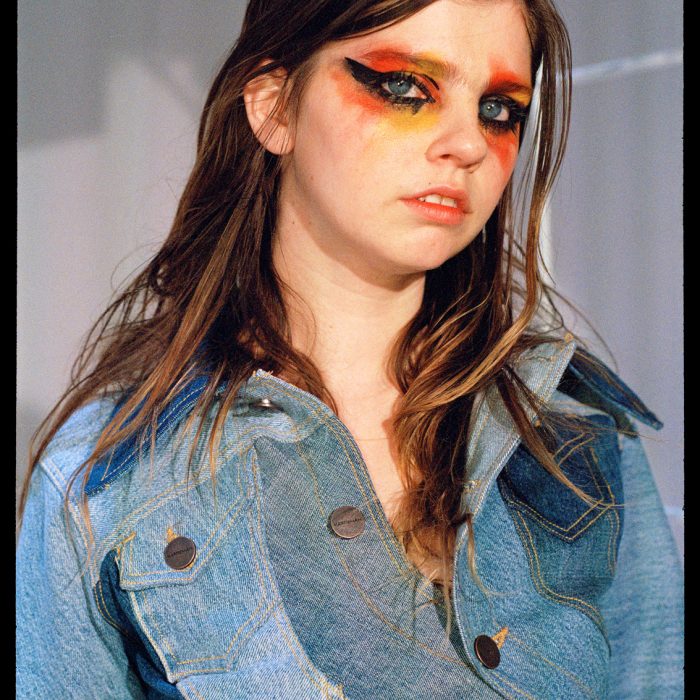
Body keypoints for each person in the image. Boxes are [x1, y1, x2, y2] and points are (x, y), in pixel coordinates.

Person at [16, 0, 683, 698]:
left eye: (498, 109)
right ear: (274, 107)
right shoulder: (111, 479)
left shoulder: (569, 434)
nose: (468, 144)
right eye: (405, 87)